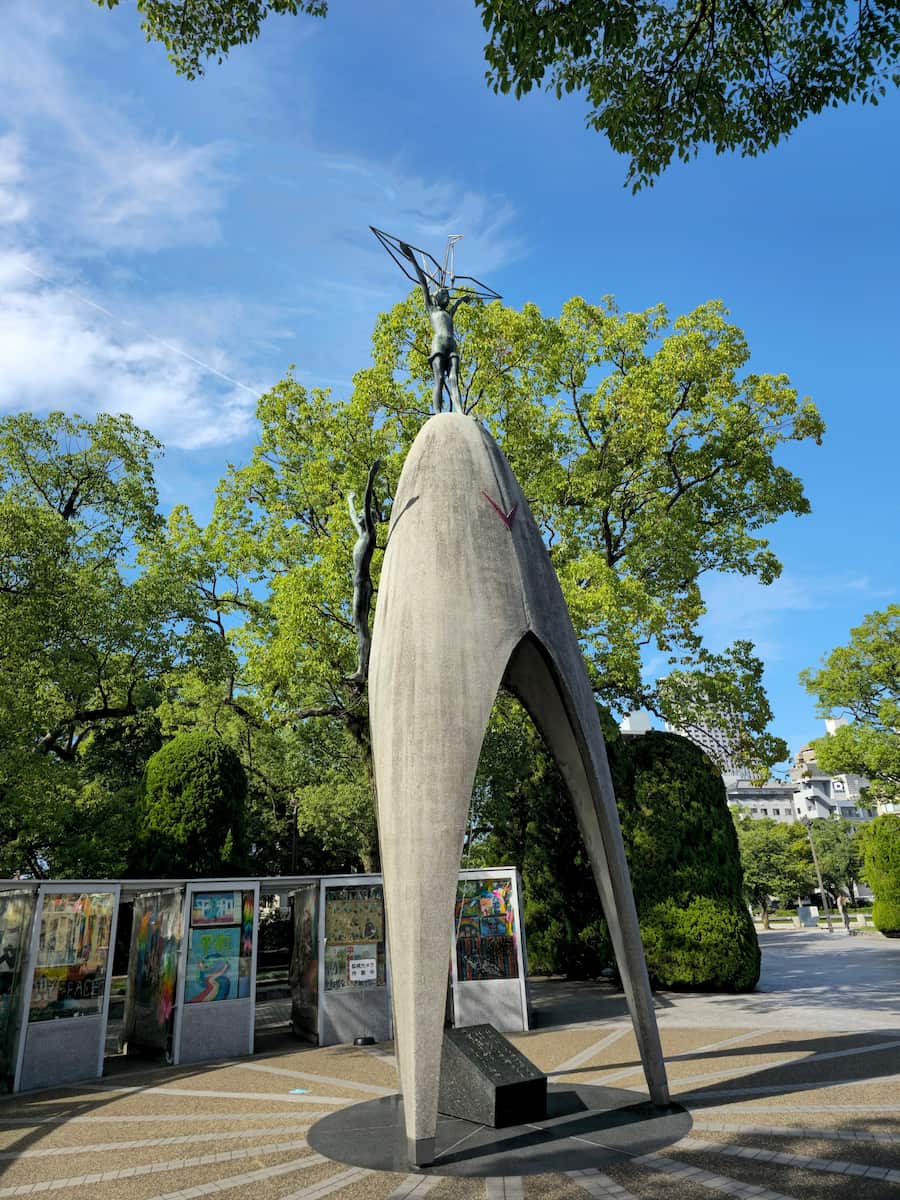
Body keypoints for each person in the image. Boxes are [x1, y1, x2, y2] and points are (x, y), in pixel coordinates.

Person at [400, 242, 472, 413]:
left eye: (448, 294)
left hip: (452, 344)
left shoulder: (448, 313)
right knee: (439, 378)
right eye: (443, 293)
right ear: (436, 298)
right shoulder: (432, 309)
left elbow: (455, 305)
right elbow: (423, 283)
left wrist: (462, 300)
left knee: (454, 379)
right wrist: (413, 260)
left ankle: (460, 412)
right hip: (438, 344)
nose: (447, 296)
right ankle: (437, 413)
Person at [345, 459, 380, 686]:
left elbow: (366, 503)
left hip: (363, 583)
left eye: (363, 514)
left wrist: (370, 478)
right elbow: (352, 516)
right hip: (358, 584)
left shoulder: (369, 534)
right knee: (358, 624)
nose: (359, 515)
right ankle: (364, 666)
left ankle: (361, 670)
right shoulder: (360, 535)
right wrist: (349, 501)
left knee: (361, 626)